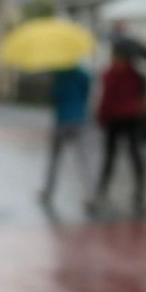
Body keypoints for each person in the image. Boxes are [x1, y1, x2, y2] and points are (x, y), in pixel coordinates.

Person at [92, 46, 146, 209]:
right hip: (133, 118)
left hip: (115, 118)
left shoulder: (111, 74)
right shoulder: (137, 74)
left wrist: (101, 118)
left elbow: (107, 98)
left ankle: (102, 190)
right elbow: (141, 97)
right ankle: (139, 189)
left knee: (110, 155)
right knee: (135, 153)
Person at [41, 63, 93, 204]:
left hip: (63, 120)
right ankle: (89, 194)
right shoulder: (83, 74)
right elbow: (86, 93)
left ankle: (48, 190)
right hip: (79, 118)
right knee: (82, 159)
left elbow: (54, 98)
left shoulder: (59, 75)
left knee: (55, 158)